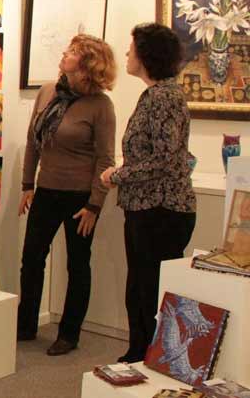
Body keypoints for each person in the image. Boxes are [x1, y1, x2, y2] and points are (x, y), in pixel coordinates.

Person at [100, 23, 197, 363]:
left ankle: (151, 358)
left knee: (149, 289)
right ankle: (140, 355)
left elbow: (166, 160)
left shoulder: (164, 97)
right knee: (140, 287)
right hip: (148, 207)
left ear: (146, 55)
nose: (127, 53)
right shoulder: (157, 95)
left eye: (132, 48)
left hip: (161, 210)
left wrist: (117, 175)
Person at [18, 34, 117, 356]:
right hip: (46, 190)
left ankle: (69, 333)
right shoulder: (48, 91)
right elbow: (33, 142)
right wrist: (27, 185)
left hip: (80, 199)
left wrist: (95, 205)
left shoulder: (100, 105)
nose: (65, 53)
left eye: (73, 51)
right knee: (32, 258)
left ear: (87, 64)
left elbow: (105, 159)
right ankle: (26, 325)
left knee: (77, 264)